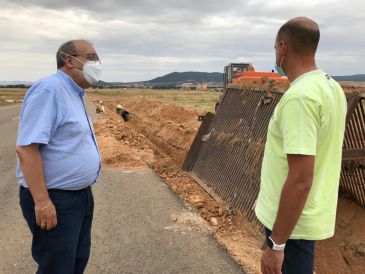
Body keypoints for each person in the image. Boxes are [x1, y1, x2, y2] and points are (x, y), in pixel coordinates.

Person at [255, 17, 347, 274]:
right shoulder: (331, 87)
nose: (275, 54)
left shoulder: (300, 98)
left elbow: (300, 179)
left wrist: (276, 244)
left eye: (275, 48)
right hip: (299, 220)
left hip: (292, 227)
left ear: (283, 48)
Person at [16, 39, 102, 274]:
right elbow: (27, 149)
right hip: (57, 199)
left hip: (80, 197)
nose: (97, 63)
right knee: (57, 267)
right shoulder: (50, 89)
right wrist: (42, 203)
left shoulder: (75, 93)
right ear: (69, 60)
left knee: (75, 262)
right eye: (91, 57)